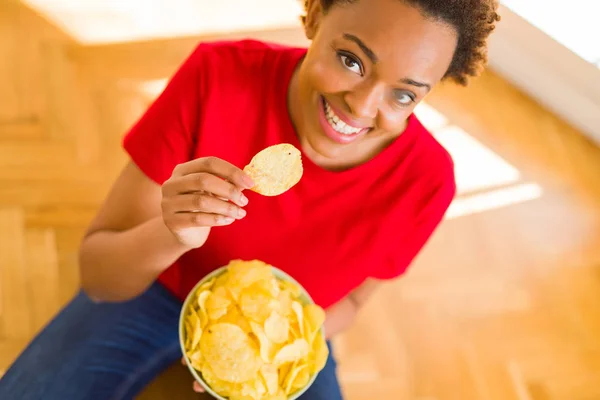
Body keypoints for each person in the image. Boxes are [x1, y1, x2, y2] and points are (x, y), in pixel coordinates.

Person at [0, 0, 500, 399]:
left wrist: (262, 354)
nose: (363, 106)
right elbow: (99, 277)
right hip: (154, 290)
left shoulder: (428, 183)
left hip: (279, 337)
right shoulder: (216, 75)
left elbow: (349, 303)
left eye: (405, 95)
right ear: (315, 15)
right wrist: (170, 232)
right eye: (352, 60)